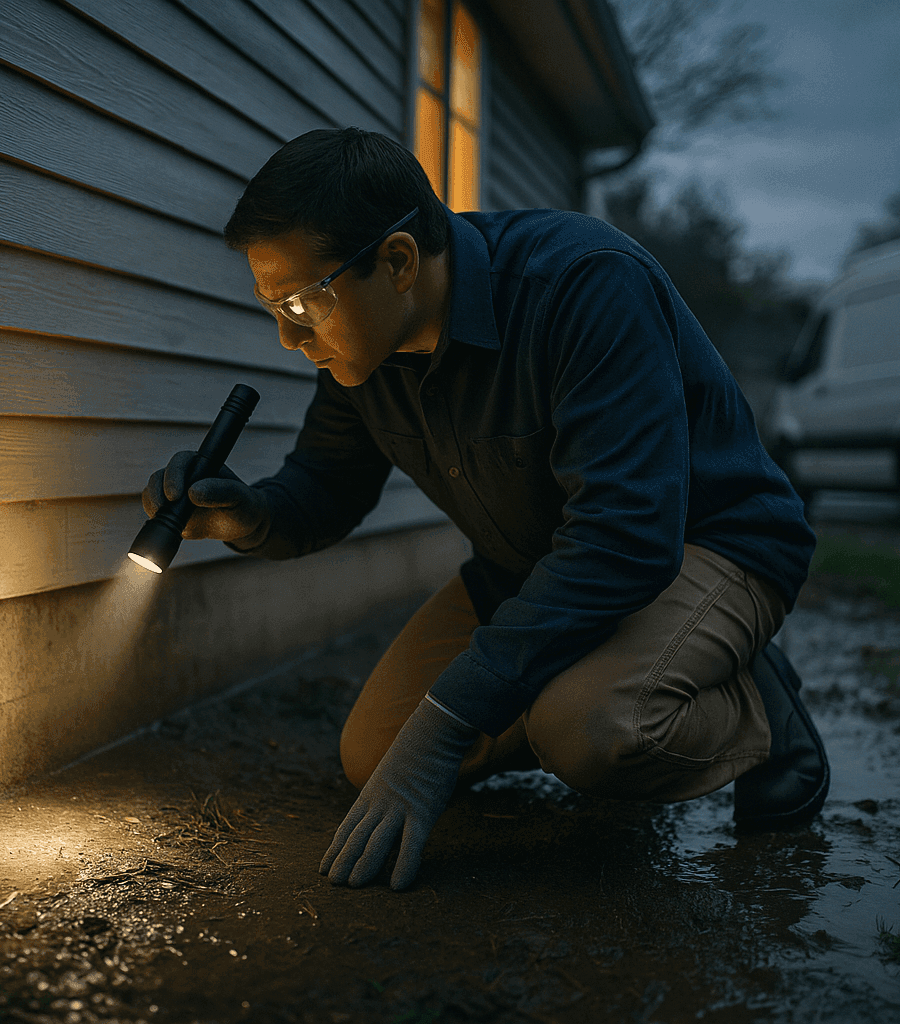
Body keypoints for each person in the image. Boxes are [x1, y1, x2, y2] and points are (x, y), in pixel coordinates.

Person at [140, 127, 826, 891]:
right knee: (372, 755)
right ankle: (594, 671)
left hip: (707, 548)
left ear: (397, 261)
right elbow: (326, 484)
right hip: (535, 570)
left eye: (303, 301)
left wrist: (451, 720)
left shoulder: (581, 284)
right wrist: (252, 517)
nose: (288, 336)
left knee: (590, 730)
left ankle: (760, 707)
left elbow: (626, 537)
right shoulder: (363, 351)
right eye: (274, 305)